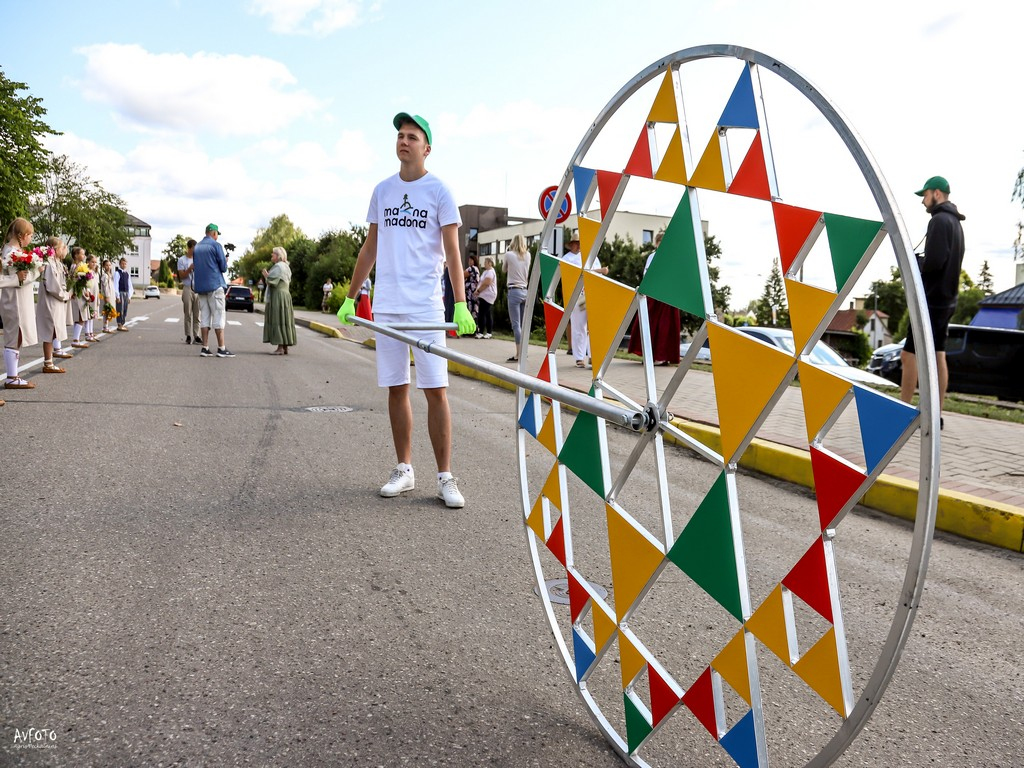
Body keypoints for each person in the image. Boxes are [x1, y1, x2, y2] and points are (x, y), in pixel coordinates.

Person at [336, 111, 476, 508]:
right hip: (388, 306)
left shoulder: (439, 191)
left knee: (435, 391)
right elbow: (370, 247)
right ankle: (404, 469)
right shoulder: (382, 190)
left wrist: (460, 304)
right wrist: (351, 296)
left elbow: (453, 251)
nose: (404, 141)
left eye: (412, 136)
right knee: (397, 388)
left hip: (426, 309)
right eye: (400, 135)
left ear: (427, 148)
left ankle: (445, 477)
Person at [900, 175, 966, 423]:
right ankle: (935, 415)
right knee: (938, 354)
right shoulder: (955, 223)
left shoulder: (938, 221)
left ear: (936, 193)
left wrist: (917, 264)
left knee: (909, 355)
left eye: (925, 195)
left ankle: (904, 412)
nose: (923, 201)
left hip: (930, 300)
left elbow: (935, 262)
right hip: (947, 299)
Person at [1, 217, 42, 390]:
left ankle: (13, 375)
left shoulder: (14, 251)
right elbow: (19, 278)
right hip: (14, 301)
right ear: (21, 235)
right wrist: (37, 272)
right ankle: (12, 377)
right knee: (15, 335)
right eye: (30, 235)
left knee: (17, 336)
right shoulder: (11, 253)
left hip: (18, 299)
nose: (31, 239)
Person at [627, 232, 681, 365]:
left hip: (668, 296)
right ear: (656, 244)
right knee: (650, 325)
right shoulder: (652, 256)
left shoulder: (672, 257)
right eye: (660, 242)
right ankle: (649, 355)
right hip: (654, 295)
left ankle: (662, 356)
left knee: (665, 327)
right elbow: (647, 273)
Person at [562, 230, 607, 368]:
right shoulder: (568, 258)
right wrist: (599, 271)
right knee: (579, 325)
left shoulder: (593, 257)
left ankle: (592, 356)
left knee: (593, 326)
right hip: (579, 295)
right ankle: (579, 357)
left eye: (580, 243)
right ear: (572, 245)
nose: (579, 246)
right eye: (576, 243)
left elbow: (598, 276)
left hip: (592, 293)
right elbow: (577, 274)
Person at [192, 223, 234, 358]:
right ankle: (221, 348)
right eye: (217, 234)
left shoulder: (197, 247)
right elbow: (223, 268)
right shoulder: (216, 246)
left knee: (204, 317)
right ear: (214, 233)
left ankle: (205, 347)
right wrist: (225, 261)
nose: (217, 237)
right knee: (219, 316)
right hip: (215, 285)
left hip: (201, 287)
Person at [35, 237, 70, 374]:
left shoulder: (57, 263)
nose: (64, 250)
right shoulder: (49, 264)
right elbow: (52, 286)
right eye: (62, 248)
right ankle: (48, 363)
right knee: (49, 330)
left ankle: (49, 361)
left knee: (53, 331)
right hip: (51, 302)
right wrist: (65, 295)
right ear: (55, 249)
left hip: (56, 302)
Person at [262, 246, 296, 355]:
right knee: (285, 319)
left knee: (278, 318)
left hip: (278, 295)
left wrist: (266, 275)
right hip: (286, 295)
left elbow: (272, 282)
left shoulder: (278, 266)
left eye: (273, 253)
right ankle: (285, 346)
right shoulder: (286, 266)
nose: (272, 255)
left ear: (278, 256)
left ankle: (280, 347)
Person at [503, 234, 531, 362]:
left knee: (516, 325)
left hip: (514, 290)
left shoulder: (509, 255)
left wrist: (508, 250)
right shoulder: (528, 255)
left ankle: (519, 354)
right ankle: (524, 351)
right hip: (525, 291)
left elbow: (504, 269)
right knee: (523, 325)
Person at [178, 238, 201, 343]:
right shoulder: (182, 260)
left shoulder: (199, 259)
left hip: (198, 288)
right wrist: (189, 269)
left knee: (197, 314)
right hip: (187, 287)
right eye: (193, 249)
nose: (195, 252)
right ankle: (188, 335)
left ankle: (197, 335)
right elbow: (182, 276)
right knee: (187, 313)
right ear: (189, 248)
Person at [473, 256, 497, 339]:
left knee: (482, 313)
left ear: (490, 263)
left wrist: (478, 291)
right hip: (484, 295)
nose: (484, 264)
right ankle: (488, 332)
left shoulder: (490, 272)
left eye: (485, 262)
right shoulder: (486, 272)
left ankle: (481, 332)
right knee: (487, 313)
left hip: (487, 295)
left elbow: (487, 283)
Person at [113, 257, 133, 331]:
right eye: (122, 264)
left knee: (125, 309)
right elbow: (115, 285)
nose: (124, 265)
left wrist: (129, 296)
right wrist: (117, 296)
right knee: (120, 309)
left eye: (125, 264)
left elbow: (130, 285)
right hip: (120, 292)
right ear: (120, 264)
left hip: (126, 293)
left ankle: (122, 323)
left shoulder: (127, 274)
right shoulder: (117, 273)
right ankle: (119, 324)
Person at [99, 259, 118, 334]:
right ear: (104, 266)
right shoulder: (105, 276)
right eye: (106, 265)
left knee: (108, 311)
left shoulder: (110, 275)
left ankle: (106, 326)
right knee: (106, 311)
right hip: (107, 296)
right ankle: (105, 327)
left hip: (111, 295)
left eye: (109, 265)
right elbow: (106, 287)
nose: (108, 267)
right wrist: (107, 296)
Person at [464, 254, 480, 327]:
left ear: (474, 261)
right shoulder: (477, 269)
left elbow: (462, 275)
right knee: (474, 310)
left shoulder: (472, 268)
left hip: (470, 292)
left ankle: (470, 328)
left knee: (470, 309)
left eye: (471, 260)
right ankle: (474, 327)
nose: (469, 262)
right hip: (474, 292)